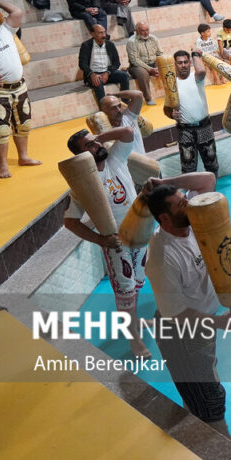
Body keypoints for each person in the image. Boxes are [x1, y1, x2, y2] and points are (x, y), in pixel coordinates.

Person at [144, 176, 231, 458]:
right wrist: (220, 323)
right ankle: (227, 446)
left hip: (201, 323)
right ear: (164, 218)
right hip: (181, 334)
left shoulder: (194, 223)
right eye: (181, 204)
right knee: (210, 392)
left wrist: (166, 181)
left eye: (185, 199)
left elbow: (208, 180)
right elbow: (176, 314)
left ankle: (196, 427)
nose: (189, 204)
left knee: (200, 386)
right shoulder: (162, 257)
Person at [63, 125, 150, 357]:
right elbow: (70, 222)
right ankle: (134, 341)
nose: (97, 146)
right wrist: (100, 240)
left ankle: (134, 323)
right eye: (89, 146)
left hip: (139, 233)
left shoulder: (115, 159)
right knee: (125, 291)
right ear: (81, 156)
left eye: (95, 142)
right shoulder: (83, 185)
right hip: (116, 245)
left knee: (137, 284)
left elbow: (127, 132)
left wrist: (97, 138)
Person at [0, 0, 40, 178]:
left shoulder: (5, 30)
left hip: (20, 87)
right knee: (1, 130)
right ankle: (3, 166)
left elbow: (17, 12)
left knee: (24, 124)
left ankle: (23, 157)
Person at [165, 50, 218, 175]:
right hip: (185, 130)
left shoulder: (197, 78)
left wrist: (195, 55)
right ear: (175, 64)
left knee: (211, 164)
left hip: (204, 126)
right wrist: (171, 115)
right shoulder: (172, 85)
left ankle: (213, 188)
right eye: (180, 63)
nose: (183, 65)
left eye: (185, 62)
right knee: (188, 168)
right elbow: (166, 108)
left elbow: (202, 71)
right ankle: (191, 189)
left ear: (190, 62)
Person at [79, 24, 129, 102]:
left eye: (104, 32)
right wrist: (92, 74)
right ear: (92, 34)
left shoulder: (110, 44)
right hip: (94, 74)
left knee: (124, 76)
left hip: (108, 72)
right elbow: (82, 64)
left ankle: (125, 102)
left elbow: (116, 63)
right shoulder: (86, 45)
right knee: (97, 82)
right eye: (100, 33)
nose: (104, 35)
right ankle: (104, 107)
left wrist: (108, 72)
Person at [99, 88, 147, 154]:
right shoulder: (105, 131)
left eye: (119, 106)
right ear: (104, 111)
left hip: (144, 160)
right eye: (113, 108)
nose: (118, 110)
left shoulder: (129, 117)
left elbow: (138, 94)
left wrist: (115, 94)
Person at [126, 22, 163, 104]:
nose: (146, 33)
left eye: (147, 30)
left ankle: (173, 91)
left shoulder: (153, 38)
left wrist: (159, 65)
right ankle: (148, 98)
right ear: (137, 31)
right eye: (143, 31)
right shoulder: (131, 42)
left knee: (170, 65)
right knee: (143, 74)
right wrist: (150, 69)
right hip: (137, 66)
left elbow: (160, 53)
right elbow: (135, 60)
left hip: (153, 63)